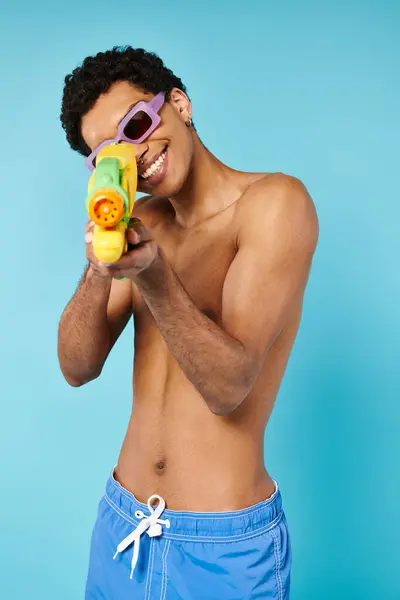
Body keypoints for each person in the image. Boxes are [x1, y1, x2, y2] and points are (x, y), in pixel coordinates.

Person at [58, 46, 319, 600]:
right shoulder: (142, 221)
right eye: (108, 153)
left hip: (223, 551)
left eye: (136, 126)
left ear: (179, 104)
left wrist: (152, 275)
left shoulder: (274, 204)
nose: (134, 155)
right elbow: (76, 367)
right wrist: (100, 262)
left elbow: (228, 388)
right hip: (122, 531)